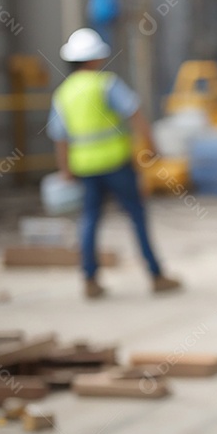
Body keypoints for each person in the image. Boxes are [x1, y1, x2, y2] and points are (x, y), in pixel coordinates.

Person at [47, 27, 181, 299]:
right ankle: (156, 275)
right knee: (136, 216)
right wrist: (151, 148)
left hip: (85, 168)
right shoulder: (106, 84)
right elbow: (136, 114)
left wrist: (65, 170)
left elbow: (59, 137)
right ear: (94, 58)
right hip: (116, 164)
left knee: (89, 220)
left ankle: (89, 280)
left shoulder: (63, 94)